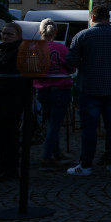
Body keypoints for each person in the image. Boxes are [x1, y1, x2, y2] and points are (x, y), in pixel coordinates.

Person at [65, 6, 111, 175]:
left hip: (89, 87)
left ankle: (86, 164)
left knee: (89, 128)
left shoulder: (82, 36)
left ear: (92, 17)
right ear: (108, 17)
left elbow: (71, 62)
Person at [0, 23, 30, 181]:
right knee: (1, 137)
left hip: (10, 101)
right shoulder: (0, 49)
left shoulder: (20, 51)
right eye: (4, 33)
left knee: (10, 138)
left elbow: (19, 77)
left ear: (18, 36)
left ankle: (10, 170)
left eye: (9, 34)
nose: (5, 36)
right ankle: (2, 168)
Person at [36, 18, 75, 170]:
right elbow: (71, 68)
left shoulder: (34, 48)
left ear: (40, 32)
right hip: (60, 89)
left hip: (42, 89)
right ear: (56, 32)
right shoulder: (61, 48)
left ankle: (56, 153)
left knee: (51, 122)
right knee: (55, 124)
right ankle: (47, 157)